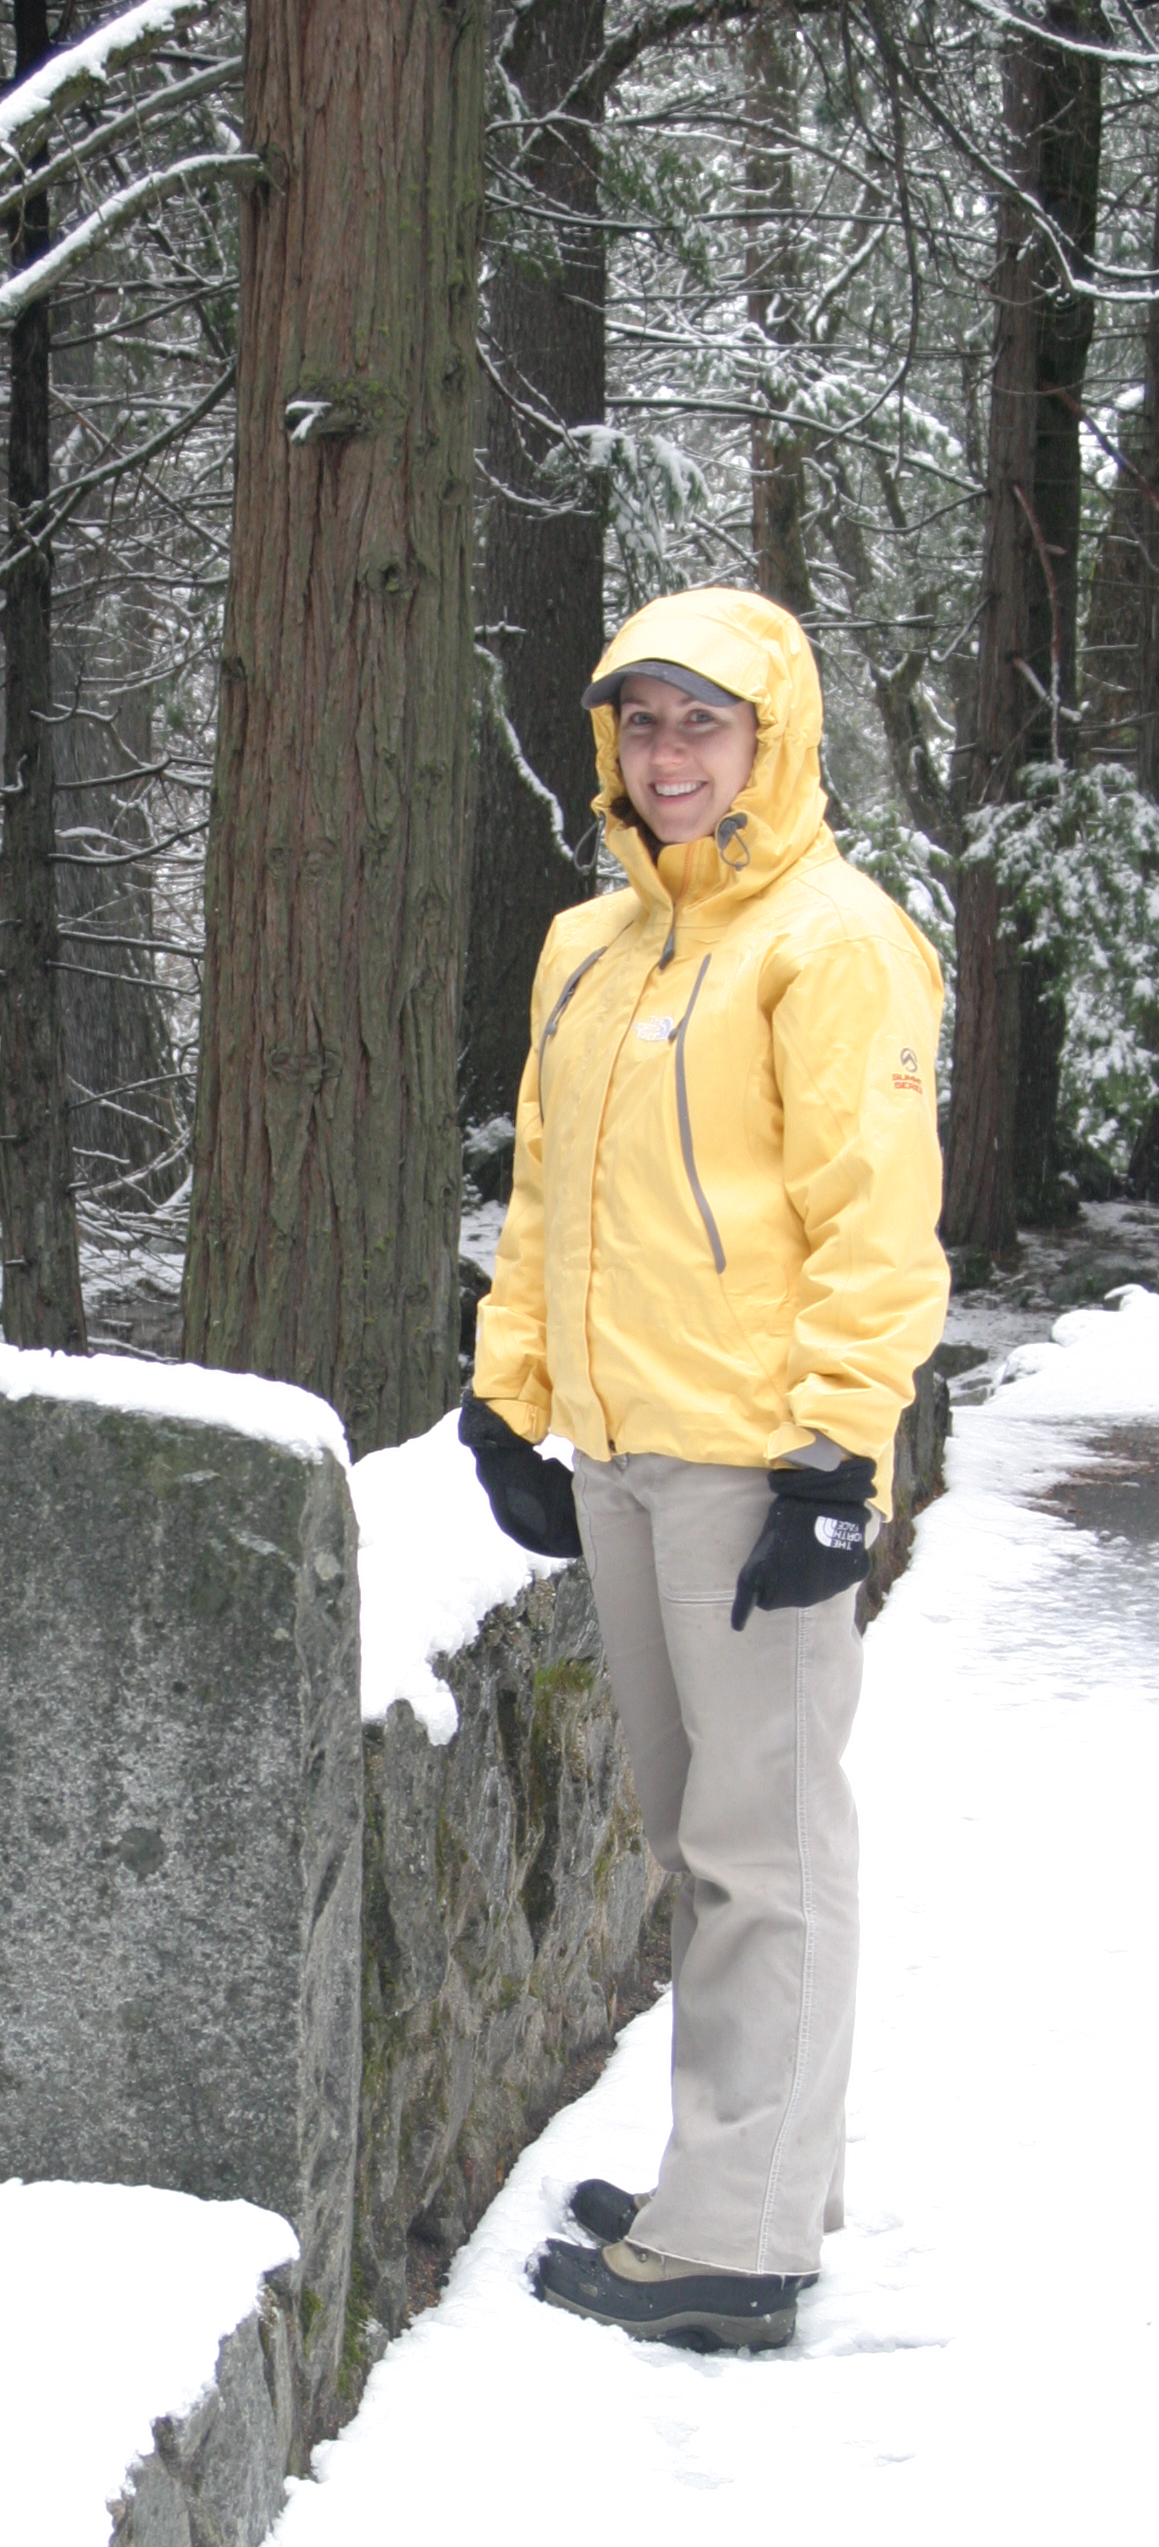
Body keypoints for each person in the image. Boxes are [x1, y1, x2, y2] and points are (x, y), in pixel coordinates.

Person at [462, 585, 948, 2351]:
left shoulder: (835, 943)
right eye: (643, 722)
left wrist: (837, 1458)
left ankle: (738, 2243)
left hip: (756, 1460)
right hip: (624, 1450)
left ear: (772, 738)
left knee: (767, 1850)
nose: (670, 756)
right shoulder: (593, 947)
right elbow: (545, 1192)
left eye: (706, 723)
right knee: (696, 1835)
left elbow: (875, 1228)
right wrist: (508, 1396)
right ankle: (741, 2175)